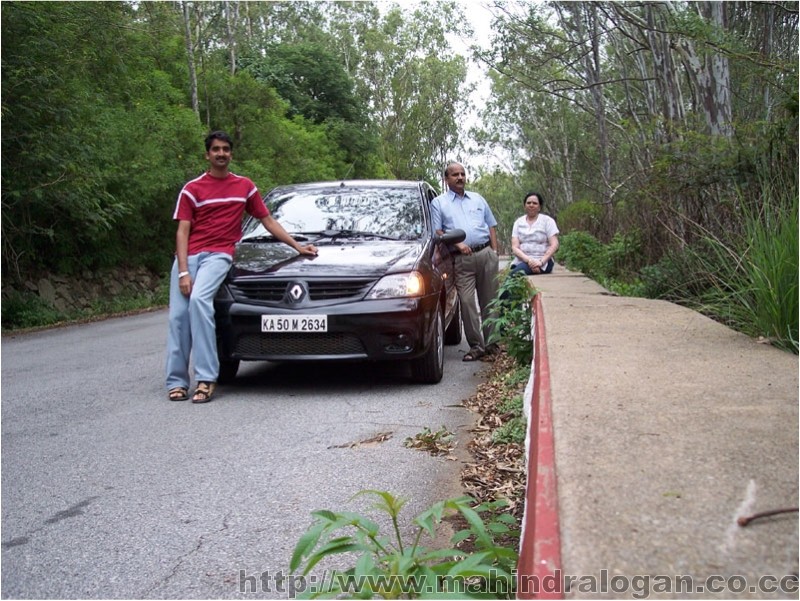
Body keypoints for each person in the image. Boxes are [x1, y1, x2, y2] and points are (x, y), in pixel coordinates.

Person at [165, 131, 317, 403]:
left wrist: (297, 247)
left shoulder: (244, 186)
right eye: (215, 150)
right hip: (189, 257)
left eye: (225, 149)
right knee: (178, 318)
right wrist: (184, 271)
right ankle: (176, 381)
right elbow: (182, 232)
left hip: (219, 255)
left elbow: (268, 221)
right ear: (207, 154)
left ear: (231, 154)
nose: (221, 154)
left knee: (200, 301)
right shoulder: (192, 189)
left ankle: (205, 378)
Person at [431, 161, 500, 362]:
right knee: (467, 303)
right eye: (455, 175)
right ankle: (477, 346)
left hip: (486, 254)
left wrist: (494, 251)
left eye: (462, 174)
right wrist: (458, 243)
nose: (460, 177)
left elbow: (491, 225)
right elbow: (438, 231)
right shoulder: (439, 203)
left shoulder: (478, 199)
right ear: (446, 179)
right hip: (461, 259)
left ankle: (493, 344)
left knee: (490, 301)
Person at [508, 191, 559, 277]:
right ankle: (532, 269)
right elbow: (515, 247)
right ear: (524, 206)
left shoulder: (547, 221)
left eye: (535, 203)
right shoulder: (518, 222)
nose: (531, 205)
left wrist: (540, 262)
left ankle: (536, 269)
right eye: (528, 203)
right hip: (523, 260)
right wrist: (529, 261)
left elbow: (554, 244)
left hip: (544, 261)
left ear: (539, 207)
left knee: (514, 276)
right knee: (516, 273)